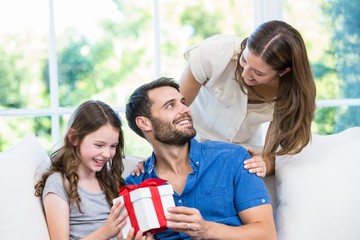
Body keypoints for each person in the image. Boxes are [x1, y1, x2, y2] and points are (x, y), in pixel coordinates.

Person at [125, 77, 277, 240]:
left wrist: (208, 230)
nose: (185, 109)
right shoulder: (136, 186)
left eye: (183, 102)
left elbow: (266, 235)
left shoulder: (233, 159)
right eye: (170, 105)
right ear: (144, 123)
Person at [179, 20, 316, 176]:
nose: (245, 74)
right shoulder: (213, 53)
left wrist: (265, 164)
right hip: (193, 143)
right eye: (244, 60)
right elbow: (172, 111)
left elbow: (271, 157)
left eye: (258, 73)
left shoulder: (290, 94)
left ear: (283, 72)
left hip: (244, 152)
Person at [35, 100, 151, 240]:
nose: (107, 154)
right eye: (99, 145)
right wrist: (106, 232)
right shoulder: (59, 184)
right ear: (74, 138)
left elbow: (119, 233)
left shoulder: (109, 180)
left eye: (113, 146)